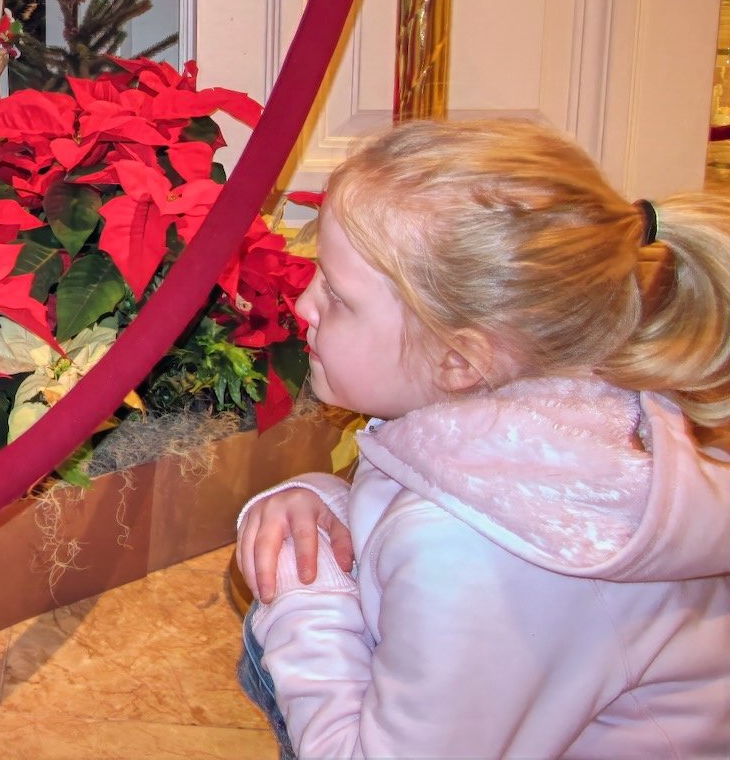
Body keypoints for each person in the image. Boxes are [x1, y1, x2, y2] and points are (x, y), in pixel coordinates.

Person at [235, 117, 730, 758]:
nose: (304, 302)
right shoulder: (558, 415)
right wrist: (327, 502)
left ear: (461, 361)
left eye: (339, 295)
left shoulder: (475, 548)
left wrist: (304, 593)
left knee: (266, 637)